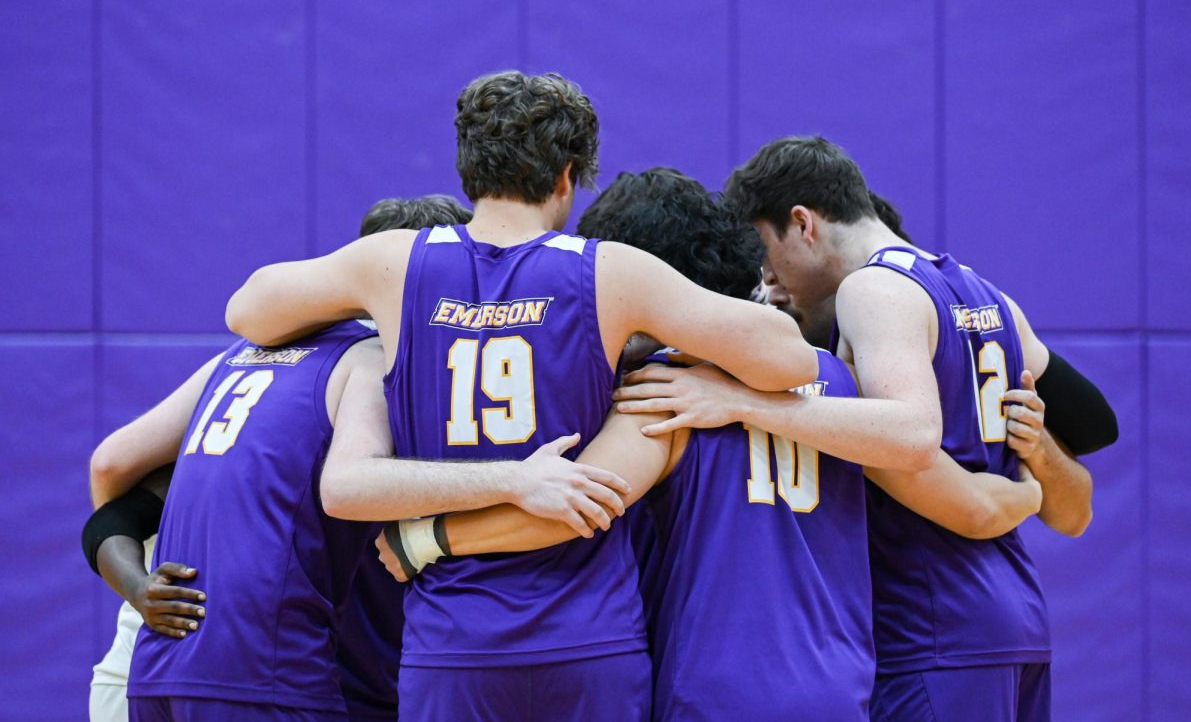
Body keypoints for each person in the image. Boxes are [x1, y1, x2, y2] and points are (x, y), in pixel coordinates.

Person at [226, 71, 817, 721]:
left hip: (454, 640)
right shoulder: (609, 271)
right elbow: (787, 357)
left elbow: (249, 311)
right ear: (568, 176)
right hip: (588, 640)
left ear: (466, 169)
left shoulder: (393, 263)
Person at [379, 168, 1047, 721]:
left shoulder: (663, 393)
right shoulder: (843, 384)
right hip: (841, 691)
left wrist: (429, 538)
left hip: (713, 692)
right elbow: (955, 494)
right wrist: (1032, 482)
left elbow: (575, 502)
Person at [615, 137, 1116, 722]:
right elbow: (1088, 456)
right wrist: (1034, 475)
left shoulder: (871, 291)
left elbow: (912, 438)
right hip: (1016, 616)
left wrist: (743, 401)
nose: (768, 276)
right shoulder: (992, 297)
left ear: (802, 224)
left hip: (931, 623)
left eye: (767, 250)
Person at [84, 196, 623, 721]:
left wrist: (141, 587)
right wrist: (514, 478)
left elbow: (112, 473)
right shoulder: (373, 367)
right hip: (260, 668)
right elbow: (349, 487)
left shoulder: (242, 355)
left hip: (148, 662)